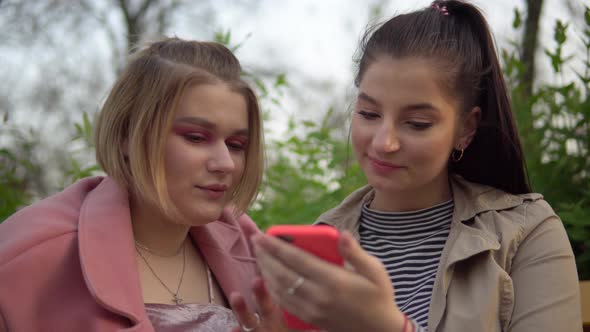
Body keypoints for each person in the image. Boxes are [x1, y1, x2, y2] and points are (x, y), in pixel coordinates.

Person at [231, 1, 583, 331]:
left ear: (466, 128)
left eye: (416, 123)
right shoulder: (319, 248)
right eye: (369, 114)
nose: (384, 142)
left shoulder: (525, 232)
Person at [0, 37, 266, 331]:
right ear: (128, 134)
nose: (225, 162)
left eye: (237, 144)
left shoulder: (253, 248)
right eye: (195, 137)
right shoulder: (28, 255)